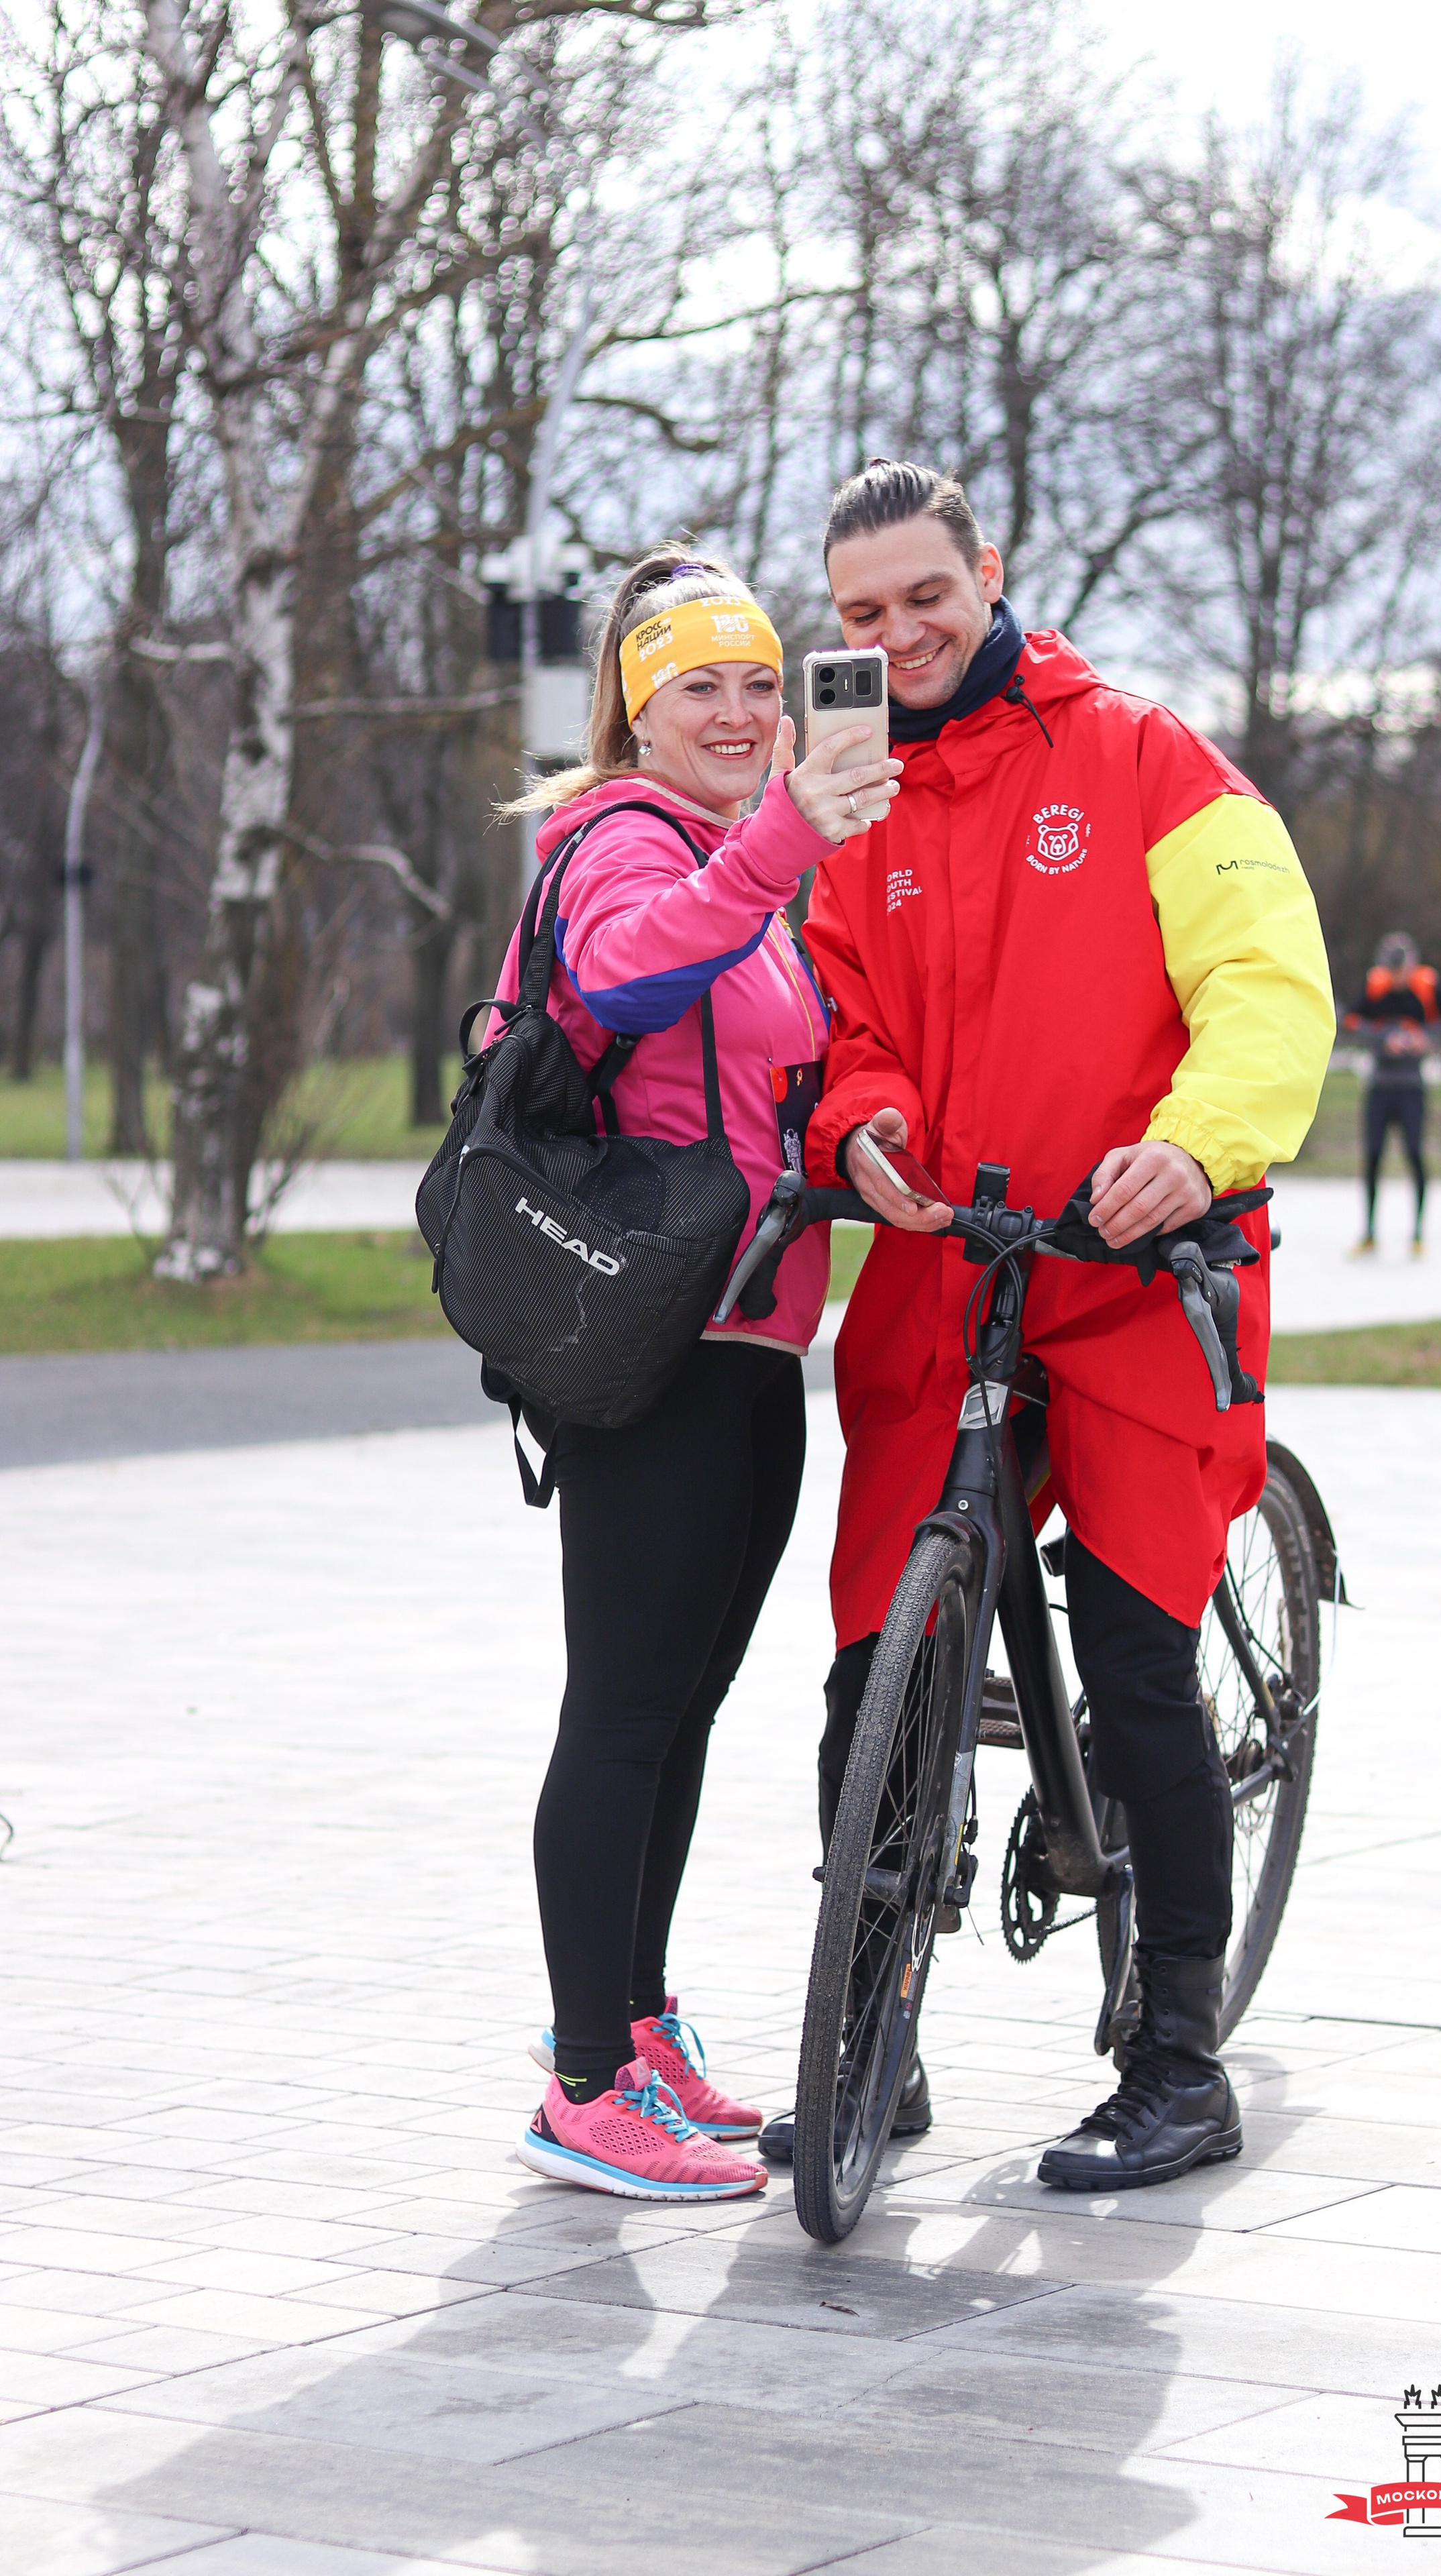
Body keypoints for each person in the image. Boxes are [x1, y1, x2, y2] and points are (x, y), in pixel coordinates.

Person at [759, 458, 1334, 2190]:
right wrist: (853, 1125)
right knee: (878, 1668)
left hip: (1137, 1264)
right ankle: (876, 2035)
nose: (901, 636)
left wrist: (1195, 1142)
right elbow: (830, 1019)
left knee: (1140, 1662)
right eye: (861, 616)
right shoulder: (845, 804)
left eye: (925, 596)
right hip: (947, 1273)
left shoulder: (1145, 754)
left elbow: (1269, 975)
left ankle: (1176, 2060)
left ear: (988, 572)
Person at [494, 545, 901, 2202]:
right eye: (697, 687)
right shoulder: (614, 836)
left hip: (749, 1334)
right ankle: (581, 2080)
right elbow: (619, 977)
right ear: (633, 709)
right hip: (648, 1340)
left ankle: (637, 2022)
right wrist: (786, 833)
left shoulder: (741, 863)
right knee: (622, 1706)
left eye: (758, 682)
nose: (737, 713)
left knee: (682, 1706)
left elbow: (755, 1075)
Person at [1342, 932, 1441, 1256]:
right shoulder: (1375, 986)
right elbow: (1351, 1022)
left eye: (1402, 970)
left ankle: (1418, 1234)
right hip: (1380, 1085)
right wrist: (1384, 1038)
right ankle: (1369, 1233)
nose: (1397, 977)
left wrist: (1425, 1036)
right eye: (1392, 970)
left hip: (1412, 1086)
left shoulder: (1427, 986)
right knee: (1372, 1157)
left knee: (1414, 1154)